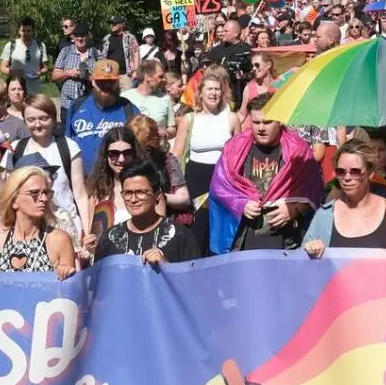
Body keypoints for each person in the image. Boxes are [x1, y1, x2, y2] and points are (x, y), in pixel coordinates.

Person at [209, 93, 321, 254]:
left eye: (267, 122)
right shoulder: (234, 147)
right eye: (256, 122)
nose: (261, 128)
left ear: (280, 121)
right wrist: (240, 204)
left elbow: (314, 189)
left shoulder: (299, 150)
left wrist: (294, 208)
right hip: (243, 238)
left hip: (287, 241)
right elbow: (219, 187)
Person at [303, 139, 386, 260]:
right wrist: (309, 249)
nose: (347, 178)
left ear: (370, 173)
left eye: (355, 171)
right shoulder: (325, 215)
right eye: (341, 171)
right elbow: (299, 262)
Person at [1, 94, 91, 237]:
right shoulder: (16, 149)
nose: (37, 124)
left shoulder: (68, 147)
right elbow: (7, 193)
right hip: (29, 230)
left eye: (43, 118)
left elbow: (80, 193)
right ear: (24, 120)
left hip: (66, 228)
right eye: (31, 120)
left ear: (53, 119)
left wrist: (87, 232)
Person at [0, 164, 76, 279]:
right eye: (34, 193)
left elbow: (66, 294)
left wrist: (65, 272)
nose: (43, 199)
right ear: (14, 200)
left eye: (46, 193)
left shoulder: (59, 240)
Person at [173, 71, 240, 253]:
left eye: (217, 89)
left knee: (220, 231)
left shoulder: (231, 118)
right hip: (196, 180)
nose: (214, 93)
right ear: (200, 93)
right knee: (197, 230)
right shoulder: (189, 120)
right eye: (209, 89)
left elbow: (239, 154)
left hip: (223, 180)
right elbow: (176, 155)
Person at [94, 160, 200, 264]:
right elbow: (98, 279)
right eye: (128, 193)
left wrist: (165, 265)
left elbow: (193, 278)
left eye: (141, 192)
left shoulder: (180, 236)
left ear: (157, 195)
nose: (133, 199)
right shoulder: (110, 238)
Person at [64, 59, 140, 174]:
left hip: (119, 180)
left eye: (111, 82)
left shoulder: (129, 108)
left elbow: (139, 148)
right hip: (83, 180)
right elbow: (67, 143)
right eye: (102, 82)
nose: (106, 86)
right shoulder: (77, 106)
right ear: (93, 81)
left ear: (118, 82)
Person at [127, 115, 190, 216]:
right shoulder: (123, 162)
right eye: (137, 149)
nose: (142, 154)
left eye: (147, 148)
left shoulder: (167, 160)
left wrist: (158, 197)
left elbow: (184, 198)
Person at [85, 127, 143, 231]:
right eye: (114, 153)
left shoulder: (150, 188)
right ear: (106, 156)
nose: (121, 159)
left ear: (135, 153)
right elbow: (90, 234)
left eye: (127, 152)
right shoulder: (96, 191)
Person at [52, 22, 101, 124]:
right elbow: (54, 76)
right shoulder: (65, 51)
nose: (79, 39)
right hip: (68, 105)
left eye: (82, 35)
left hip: (90, 105)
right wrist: (69, 73)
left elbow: (103, 80)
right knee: (68, 137)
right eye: (77, 36)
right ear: (73, 37)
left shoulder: (96, 54)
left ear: (88, 36)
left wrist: (88, 76)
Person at [123, 59, 175, 141]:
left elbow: (172, 128)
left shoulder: (165, 99)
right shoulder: (125, 97)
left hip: (157, 150)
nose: (164, 79)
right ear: (147, 77)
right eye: (160, 76)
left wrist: (166, 133)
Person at [0, 17, 48, 94]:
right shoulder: (11, 45)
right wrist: (15, 72)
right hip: (16, 89)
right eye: (23, 31)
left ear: (33, 31)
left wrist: (40, 73)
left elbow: (45, 68)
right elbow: (2, 68)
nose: (26, 33)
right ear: (19, 31)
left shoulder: (40, 46)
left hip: (35, 89)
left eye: (28, 31)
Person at [238, 51, 277, 130]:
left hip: (272, 131)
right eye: (252, 66)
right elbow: (242, 114)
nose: (254, 69)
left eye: (257, 65)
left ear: (268, 65)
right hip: (251, 131)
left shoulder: (279, 85)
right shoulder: (249, 87)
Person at [101, 16, 139, 91]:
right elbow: (103, 57)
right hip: (110, 76)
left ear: (121, 25)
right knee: (111, 99)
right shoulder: (106, 39)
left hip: (125, 75)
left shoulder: (129, 37)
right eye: (110, 24)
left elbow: (136, 53)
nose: (111, 25)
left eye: (114, 24)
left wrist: (135, 71)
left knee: (127, 99)